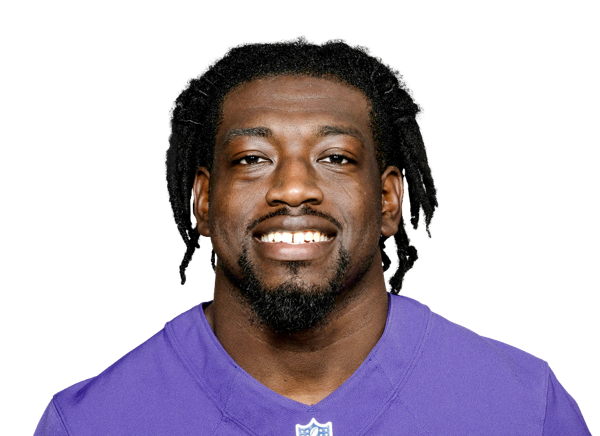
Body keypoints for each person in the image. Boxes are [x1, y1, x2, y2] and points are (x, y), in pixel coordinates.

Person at [33, 36, 591, 435]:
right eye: (252, 158)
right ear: (203, 201)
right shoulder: (88, 424)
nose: (294, 188)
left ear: (389, 199)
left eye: (335, 157)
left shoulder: (524, 408)